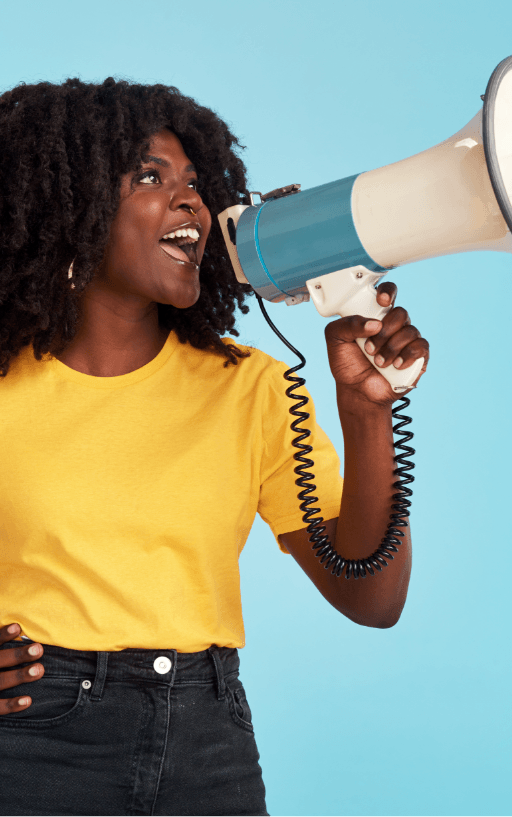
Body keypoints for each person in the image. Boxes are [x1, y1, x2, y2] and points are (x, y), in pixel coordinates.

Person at [0, 78, 430, 817]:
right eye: (149, 176)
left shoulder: (253, 391)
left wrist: (365, 410)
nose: (190, 202)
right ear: (67, 209)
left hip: (208, 745)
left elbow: (374, 596)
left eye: (196, 184)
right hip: (35, 744)